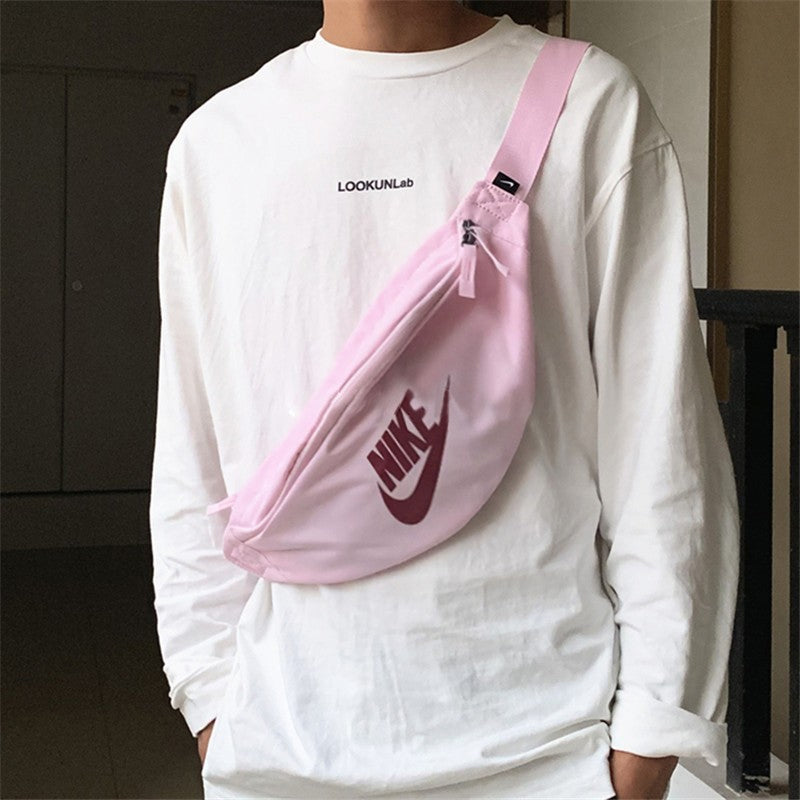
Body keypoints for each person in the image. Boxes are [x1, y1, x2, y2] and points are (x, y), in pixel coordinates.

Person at [148, 2, 740, 798]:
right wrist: (211, 698)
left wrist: (653, 735)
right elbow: (192, 460)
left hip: (551, 757)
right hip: (277, 755)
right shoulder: (219, 145)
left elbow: (662, 450)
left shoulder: (591, 105)